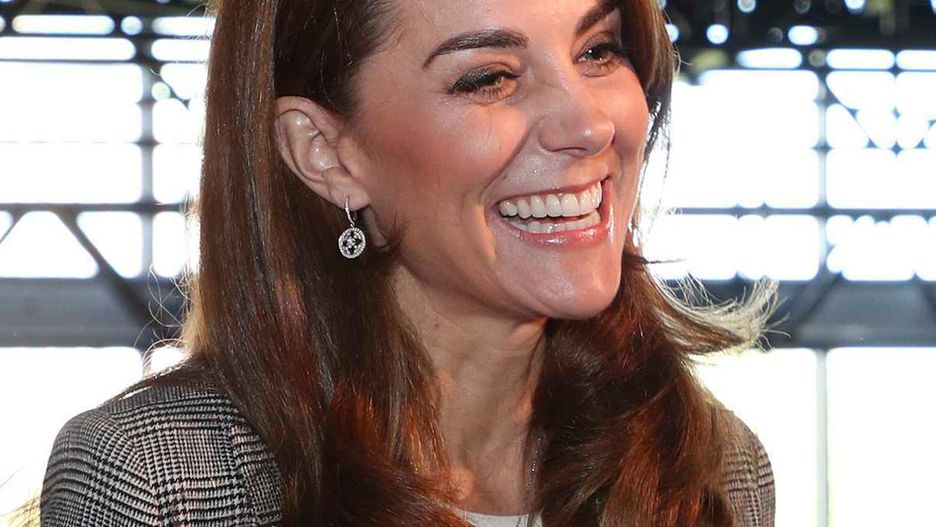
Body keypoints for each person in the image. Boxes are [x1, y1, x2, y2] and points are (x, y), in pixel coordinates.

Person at [39, 0, 778, 525]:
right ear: (325, 153)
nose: (588, 124)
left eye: (598, 51)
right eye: (488, 77)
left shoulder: (710, 469)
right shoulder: (160, 483)